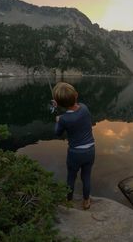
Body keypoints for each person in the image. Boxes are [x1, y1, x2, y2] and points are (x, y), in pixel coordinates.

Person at [52, 82, 95, 210]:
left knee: (71, 177)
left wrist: (58, 120)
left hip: (75, 153)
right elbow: (74, 112)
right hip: (90, 150)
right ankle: (86, 201)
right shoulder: (84, 108)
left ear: (58, 102)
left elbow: (57, 133)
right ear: (76, 95)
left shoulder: (64, 119)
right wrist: (60, 107)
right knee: (86, 176)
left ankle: (69, 201)